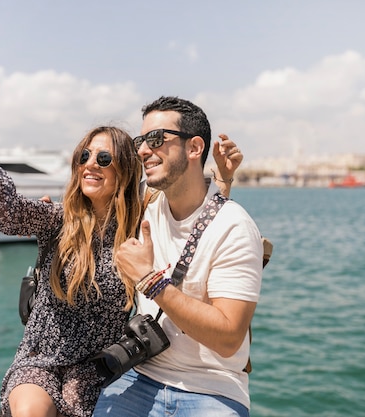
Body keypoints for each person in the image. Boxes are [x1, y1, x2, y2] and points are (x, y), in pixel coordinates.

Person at [0, 97, 243, 417]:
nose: (90, 163)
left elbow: (192, 222)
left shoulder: (140, 226)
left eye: (104, 157)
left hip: (100, 372)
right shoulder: (56, 220)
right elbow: (6, 207)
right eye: (84, 155)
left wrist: (223, 180)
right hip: (41, 363)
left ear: (124, 169)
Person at [94, 96, 263, 417]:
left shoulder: (236, 227)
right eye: (141, 141)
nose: (143, 150)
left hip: (211, 387)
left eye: (156, 139)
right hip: (141, 373)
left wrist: (148, 280)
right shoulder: (146, 205)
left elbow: (228, 339)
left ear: (194, 148)